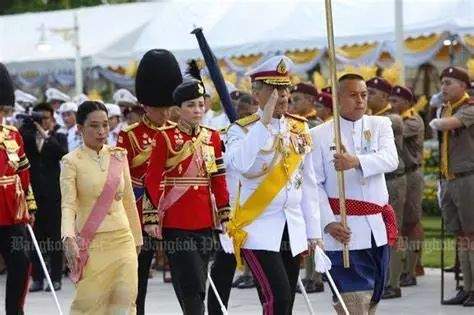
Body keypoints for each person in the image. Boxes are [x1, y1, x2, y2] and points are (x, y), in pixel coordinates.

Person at [225, 55, 322, 314]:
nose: (282, 96)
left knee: (286, 300)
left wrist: (314, 232)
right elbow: (241, 164)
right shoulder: (241, 130)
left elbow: (308, 184)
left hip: (292, 227)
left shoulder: (299, 128)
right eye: (274, 90)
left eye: (286, 88)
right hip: (258, 228)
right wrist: (264, 122)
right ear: (256, 94)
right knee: (276, 298)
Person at [311, 73, 398, 314]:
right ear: (337, 99)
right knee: (353, 299)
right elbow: (313, 184)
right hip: (343, 229)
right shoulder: (318, 135)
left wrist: (356, 160)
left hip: (377, 228)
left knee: (373, 298)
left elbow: (391, 160)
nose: (360, 100)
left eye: (364, 94)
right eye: (353, 95)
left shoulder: (380, 125)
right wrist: (328, 222)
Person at [144, 79, 231, 314]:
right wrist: (151, 216)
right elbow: (152, 178)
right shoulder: (165, 137)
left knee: (197, 280)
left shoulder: (211, 138)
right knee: (191, 278)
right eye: (191, 105)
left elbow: (217, 178)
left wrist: (224, 213)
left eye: (201, 105)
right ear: (178, 109)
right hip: (176, 220)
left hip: (204, 221)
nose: (198, 110)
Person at [116, 48, 183, 315]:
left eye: (168, 106)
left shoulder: (181, 132)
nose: (164, 113)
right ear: (145, 104)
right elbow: (122, 179)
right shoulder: (129, 135)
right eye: (159, 108)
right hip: (142, 213)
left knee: (184, 274)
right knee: (139, 275)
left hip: (177, 209)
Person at [61, 101, 143, 314]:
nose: (101, 131)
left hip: (123, 239)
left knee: (124, 301)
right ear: (80, 128)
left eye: (105, 125)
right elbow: (68, 205)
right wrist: (68, 237)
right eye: (94, 126)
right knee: (88, 304)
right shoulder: (71, 162)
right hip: (92, 242)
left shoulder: (119, 156)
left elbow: (129, 201)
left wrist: (137, 239)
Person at [430, 66, 474, 306]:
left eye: (449, 83)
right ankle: (466, 287)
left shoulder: (469, 108)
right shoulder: (445, 107)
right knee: (459, 234)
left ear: (463, 86)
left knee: (471, 234)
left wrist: (436, 118)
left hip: (467, 178)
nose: (443, 87)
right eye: (442, 83)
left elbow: (448, 124)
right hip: (448, 178)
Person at [0, 62, 36, 315]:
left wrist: (30, 206)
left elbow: (23, 175)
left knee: (21, 262)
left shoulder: (13, 135)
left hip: (12, 213)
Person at [20, 103, 68, 292]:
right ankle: (38, 278)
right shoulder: (28, 136)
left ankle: (55, 278)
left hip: (54, 196)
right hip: (34, 196)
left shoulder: (58, 136)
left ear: (52, 118)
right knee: (36, 238)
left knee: (55, 238)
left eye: (46, 118)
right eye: (40, 118)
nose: (43, 121)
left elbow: (62, 154)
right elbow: (19, 146)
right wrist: (29, 124)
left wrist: (43, 131)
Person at [366, 77, 406, 299]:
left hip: (393, 180)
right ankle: (382, 278)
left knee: (394, 230)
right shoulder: (372, 118)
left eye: (371, 93)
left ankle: (394, 282)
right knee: (378, 231)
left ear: (384, 97)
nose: (366, 97)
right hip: (377, 181)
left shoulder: (392, 119)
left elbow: (392, 123)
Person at [389, 85, 425, 288]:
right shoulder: (392, 119)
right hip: (398, 174)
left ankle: (412, 269)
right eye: (390, 100)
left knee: (412, 222)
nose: (392, 104)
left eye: (396, 101)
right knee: (399, 224)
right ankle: (401, 268)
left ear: (408, 103)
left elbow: (395, 130)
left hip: (411, 174)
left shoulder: (413, 121)